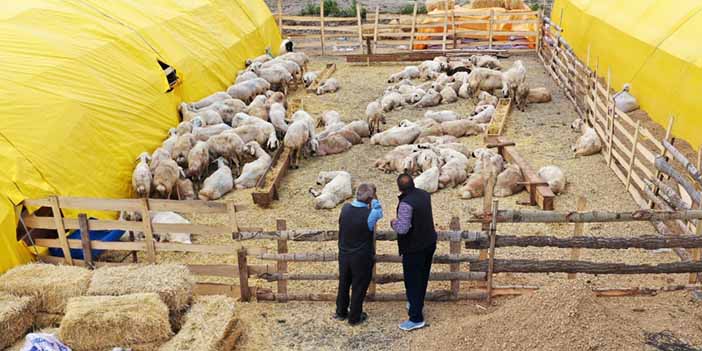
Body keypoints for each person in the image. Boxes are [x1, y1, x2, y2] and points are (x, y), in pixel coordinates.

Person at [391, 173, 437, 331]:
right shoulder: (424, 194)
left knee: (412, 281)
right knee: (422, 277)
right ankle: (417, 303)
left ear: (399, 188)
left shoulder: (406, 203)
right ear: (413, 183)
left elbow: (403, 228)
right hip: (429, 242)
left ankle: (416, 317)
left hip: (414, 248)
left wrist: (393, 223)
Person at [335, 183, 383, 326]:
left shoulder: (345, 208)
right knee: (359, 286)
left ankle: (341, 312)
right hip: (361, 257)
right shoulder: (371, 214)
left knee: (344, 283)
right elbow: (379, 211)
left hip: (344, 254)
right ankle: (354, 317)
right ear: (369, 198)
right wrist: (374, 197)